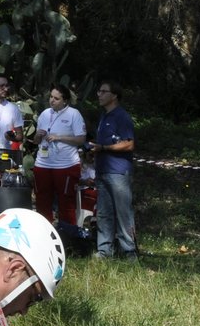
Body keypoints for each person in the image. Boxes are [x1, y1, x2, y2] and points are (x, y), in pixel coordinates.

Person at [88, 79, 138, 259]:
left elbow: (129, 144)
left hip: (118, 172)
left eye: (103, 91)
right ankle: (104, 251)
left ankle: (129, 252)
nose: (99, 94)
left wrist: (104, 148)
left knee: (123, 213)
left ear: (114, 95)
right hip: (102, 170)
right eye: (99, 91)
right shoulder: (104, 116)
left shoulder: (121, 116)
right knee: (103, 213)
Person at [31, 84, 87, 228]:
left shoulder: (74, 114)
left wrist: (59, 137)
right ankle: (44, 232)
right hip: (43, 163)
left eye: (56, 98)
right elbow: (36, 141)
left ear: (65, 101)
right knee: (42, 199)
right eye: (51, 97)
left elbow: (81, 139)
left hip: (66, 165)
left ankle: (68, 235)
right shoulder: (44, 114)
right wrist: (37, 136)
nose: (52, 100)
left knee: (66, 202)